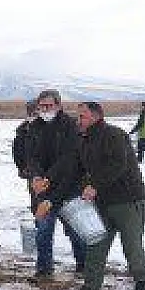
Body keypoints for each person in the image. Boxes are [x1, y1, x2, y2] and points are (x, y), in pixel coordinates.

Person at [75, 102, 145, 290]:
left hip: (128, 200)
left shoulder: (114, 135)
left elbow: (118, 164)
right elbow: (82, 170)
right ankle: (91, 287)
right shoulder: (83, 140)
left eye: (82, 116)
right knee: (96, 243)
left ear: (96, 117)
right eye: (78, 116)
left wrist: (95, 185)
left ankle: (142, 281)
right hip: (102, 202)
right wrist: (84, 186)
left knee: (132, 246)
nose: (78, 120)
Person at [26, 89, 87, 279]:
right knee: (43, 229)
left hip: (69, 186)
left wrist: (48, 178)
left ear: (58, 106)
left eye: (49, 106)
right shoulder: (34, 127)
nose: (45, 109)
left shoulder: (70, 126)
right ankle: (44, 269)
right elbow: (32, 157)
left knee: (75, 230)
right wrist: (36, 177)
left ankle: (84, 266)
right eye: (42, 106)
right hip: (43, 189)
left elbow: (69, 159)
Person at [12, 100, 36, 206]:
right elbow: (17, 151)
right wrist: (22, 168)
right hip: (32, 173)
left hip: (53, 173)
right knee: (37, 203)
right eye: (31, 112)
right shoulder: (22, 130)